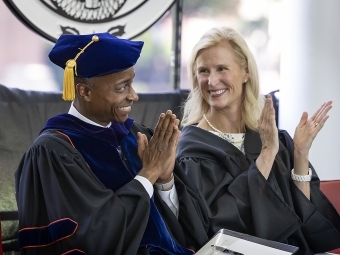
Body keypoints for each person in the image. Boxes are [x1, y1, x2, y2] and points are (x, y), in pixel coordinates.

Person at [14, 32, 209, 255]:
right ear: (84, 92)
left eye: (131, 83)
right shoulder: (54, 153)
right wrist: (148, 174)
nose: (134, 96)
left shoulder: (135, 135)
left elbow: (181, 231)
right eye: (121, 87)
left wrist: (164, 180)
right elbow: (91, 235)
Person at [176, 26, 340, 255]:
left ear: (246, 72)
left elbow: (301, 217)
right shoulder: (193, 152)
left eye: (221, 68)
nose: (212, 81)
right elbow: (215, 228)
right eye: (203, 71)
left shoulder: (269, 135)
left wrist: (300, 154)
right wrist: (265, 156)